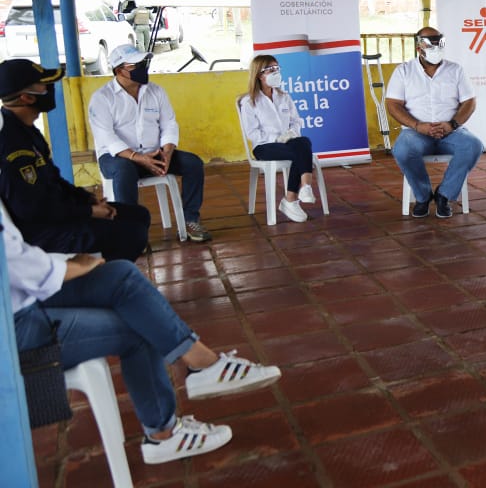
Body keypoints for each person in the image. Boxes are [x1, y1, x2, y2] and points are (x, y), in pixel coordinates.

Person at [4, 194, 282, 464]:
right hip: (14, 326)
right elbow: (20, 266)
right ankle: (164, 432)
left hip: (21, 297)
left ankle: (201, 365)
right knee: (137, 327)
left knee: (120, 274)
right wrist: (72, 265)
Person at [0, 59, 149, 261]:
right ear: (27, 97)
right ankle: (106, 282)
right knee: (130, 234)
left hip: (57, 215)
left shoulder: (27, 132)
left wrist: (87, 199)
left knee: (139, 215)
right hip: (41, 233)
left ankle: (113, 269)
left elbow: (54, 181)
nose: (51, 90)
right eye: (45, 85)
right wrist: (88, 212)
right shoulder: (12, 144)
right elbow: (34, 210)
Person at [87, 45, 213, 242]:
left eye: (144, 63)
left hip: (155, 154)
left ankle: (190, 220)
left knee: (193, 163)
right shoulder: (102, 98)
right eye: (136, 65)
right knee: (124, 171)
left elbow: (169, 124)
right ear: (119, 70)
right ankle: (131, 232)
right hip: (118, 158)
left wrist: (167, 151)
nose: (143, 68)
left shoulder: (156, 91)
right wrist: (138, 158)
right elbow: (106, 137)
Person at [385, 27, 483, 218]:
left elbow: (469, 102)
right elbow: (393, 104)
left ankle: (444, 195)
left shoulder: (455, 70)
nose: (435, 48)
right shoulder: (403, 71)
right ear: (418, 47)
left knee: (473, 145)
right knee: (402, 150)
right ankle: (422, 196)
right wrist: (417, 125)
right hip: (416, 132)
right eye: (430, 44)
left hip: (451, 131)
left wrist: (452, 124)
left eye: (438, 43)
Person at [237, 54, 317, 223]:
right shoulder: (249, 102)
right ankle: (299, 191)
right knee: (300, 151)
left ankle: (297, 194)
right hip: (265, 146)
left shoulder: (284, 96)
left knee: (303, 142)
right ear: (259, 74)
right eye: (270, 70)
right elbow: (252, 133)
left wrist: (291, 134)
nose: (276, 73)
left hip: (288, 142)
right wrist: (277, 137)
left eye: (277, 69)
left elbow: (296, 121)